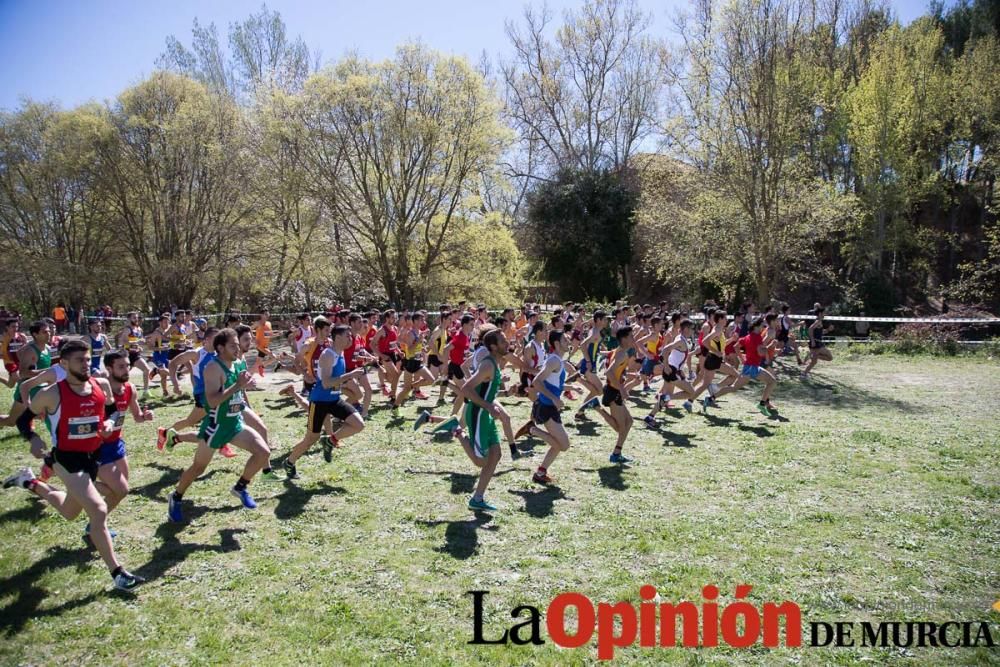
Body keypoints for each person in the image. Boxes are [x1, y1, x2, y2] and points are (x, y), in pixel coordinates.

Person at [2, 340, 144, 590]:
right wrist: (34, 438)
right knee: (99, 510)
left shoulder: (100, 385)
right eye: (80, 360)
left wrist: (110, 423)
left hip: (92, 457)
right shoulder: (52, 393)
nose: (86, 364)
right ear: (64, 364)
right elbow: (24, 419)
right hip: (65, 459)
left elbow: (111, 410)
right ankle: (118, 574)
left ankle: (29, 481)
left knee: (69, 512)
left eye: (88, 359)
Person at [166, 329, 272, 522]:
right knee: (198, 468)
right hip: (215, 426)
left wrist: (246, 384)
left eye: (238, 345)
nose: (237, 349)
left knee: (263, 452)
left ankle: (240, 487)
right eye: (233, 345)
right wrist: (238, 386)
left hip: (235, 423)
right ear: (220, 348)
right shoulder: (212, 368)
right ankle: (176, 496)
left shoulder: (239, 362)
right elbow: (213, 401)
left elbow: (238, 389)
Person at [283, 324, 366, 479]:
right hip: (320, 401)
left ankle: (330, 441)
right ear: (338, 337)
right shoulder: (328, 355)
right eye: (347, 335)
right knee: (310, 439)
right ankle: (289, 462)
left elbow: (336, 382)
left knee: (358, 424)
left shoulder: (339, 353)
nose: (350, 338)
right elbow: (327, 383)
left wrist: (350, 380)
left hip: (334, 400)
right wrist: (350, 375)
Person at [451, 329, 509, 512]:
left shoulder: (495, 363)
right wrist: (488, 406)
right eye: (503, 341)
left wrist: (508, 392)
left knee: (496, 455)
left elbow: (487, 390)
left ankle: (477, 498)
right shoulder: (488, 365)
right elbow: (466, 389)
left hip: (486, 414)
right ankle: (457, 430)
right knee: (481, 461)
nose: (507, 344)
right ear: (493, 346)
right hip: (478, 415)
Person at [526, 330, 571, 485]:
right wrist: (554, 399)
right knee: (563, 445)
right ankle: (533, 430)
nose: (569, 342)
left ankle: (540, 472)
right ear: (557, 344)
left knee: (558, 444)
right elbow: (537, 382)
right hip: (547, 407)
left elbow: (553, 384)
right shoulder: (554, 361)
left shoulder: (557, 360)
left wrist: (569, 387)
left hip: (549, 405)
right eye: (565, 340)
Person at [802, 307, 834, 378]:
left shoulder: (819, 321)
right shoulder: (818, 321)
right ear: (820, 314)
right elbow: (810, 329)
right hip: (816, 343)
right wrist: (813, 341)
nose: (825, 314)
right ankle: (804, 373)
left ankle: (804, 373)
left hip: (818, 343)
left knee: (814, 362)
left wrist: (827, 330)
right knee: (829, 357)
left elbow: (818, 332)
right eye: (824, 313)